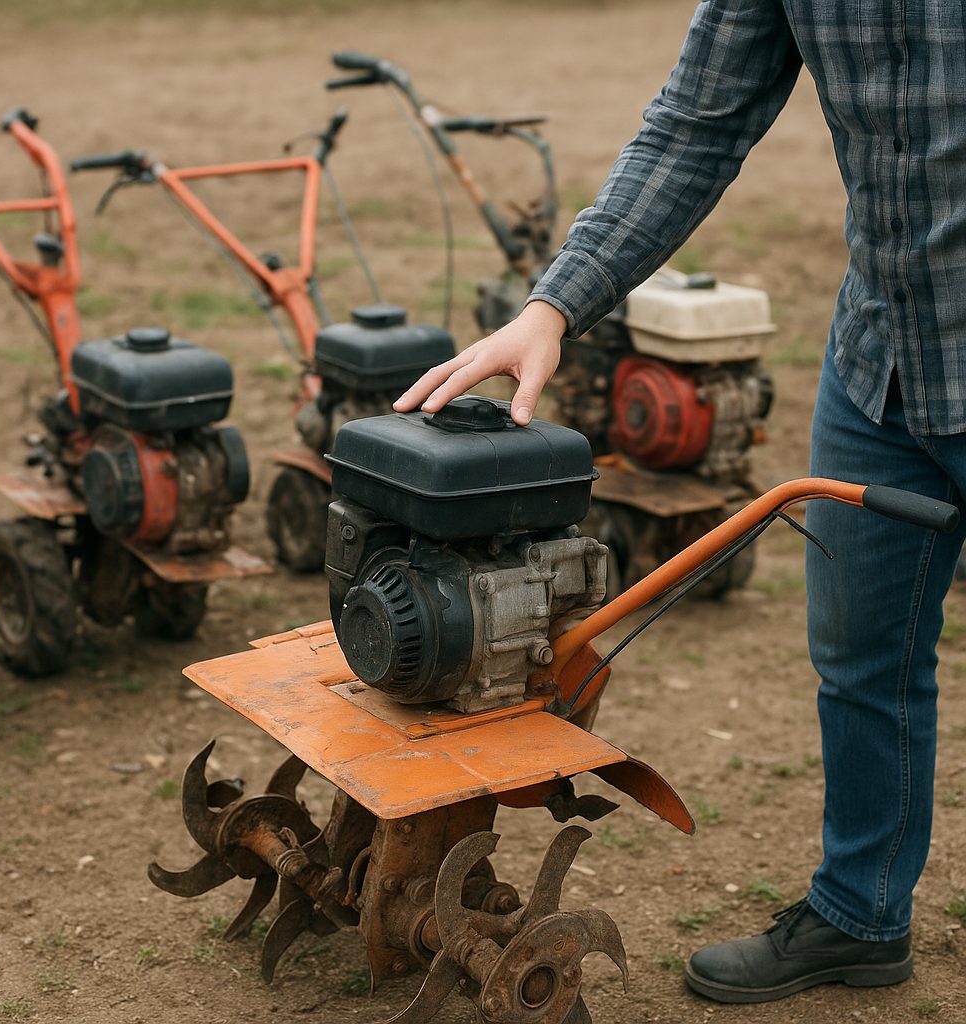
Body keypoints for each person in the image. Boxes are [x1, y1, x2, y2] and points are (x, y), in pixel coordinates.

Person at [395, 0, 966, 1005]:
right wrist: (553, 305)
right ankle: (860, 913)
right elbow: (697, 122)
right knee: (861, 651)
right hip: (885, 353)